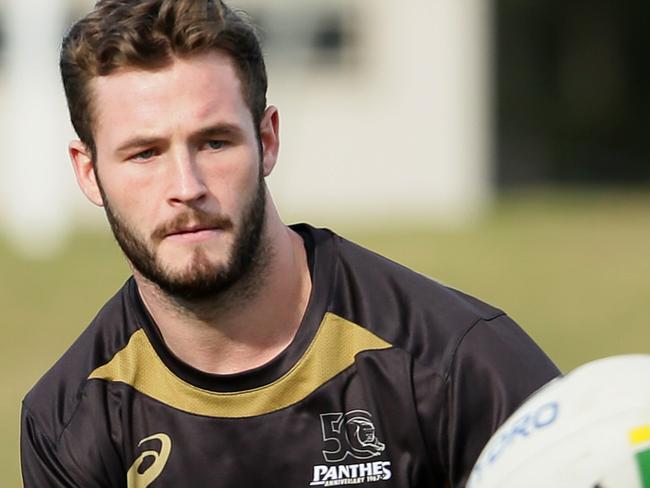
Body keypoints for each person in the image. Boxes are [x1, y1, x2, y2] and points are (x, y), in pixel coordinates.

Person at [20, 1, 559, 487]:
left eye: (214, 142)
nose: (186, 187)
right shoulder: (70, 422)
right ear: (89, 173)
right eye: (145, 154)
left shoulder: (456, 363)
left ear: (267, 140)